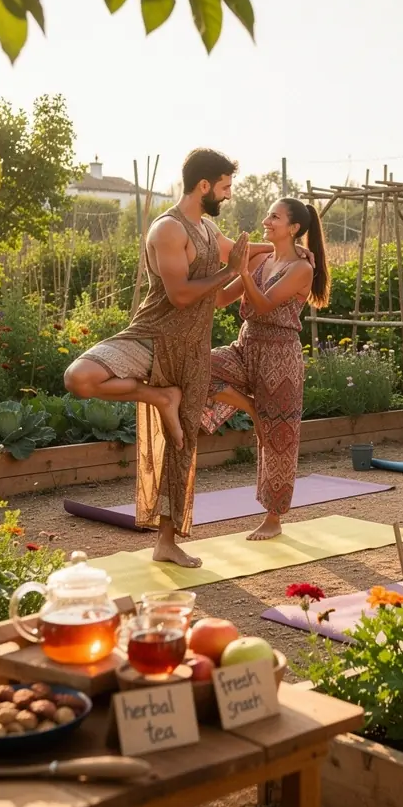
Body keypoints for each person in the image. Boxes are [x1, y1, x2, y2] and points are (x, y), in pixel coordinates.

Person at [65, 148, 269, 568]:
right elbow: (179, 296)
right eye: (226, 187)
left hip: (192, 349)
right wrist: (230, 271)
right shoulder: (168, 230)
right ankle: (158, 397)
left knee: (180, 445)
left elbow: (233, 274)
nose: (228, 195)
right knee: (78, 377)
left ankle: (167, 542)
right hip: (152, 337)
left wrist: (286, 248)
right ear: (204, 185)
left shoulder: (210, 230)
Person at [202, 197, 330, 540]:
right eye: (268, 213)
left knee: (279, 439)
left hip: (280, 355)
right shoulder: (261, 257)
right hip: (247, 345)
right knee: (198, 368)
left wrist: (243, 271)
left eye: (274, 216)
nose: (266, 220)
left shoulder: (302, 269)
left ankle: (273, 519)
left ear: (294, 228)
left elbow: (262, 305)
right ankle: (253, 411)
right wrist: (231, 268)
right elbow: (219, 299)